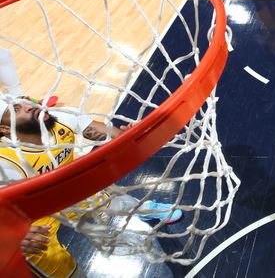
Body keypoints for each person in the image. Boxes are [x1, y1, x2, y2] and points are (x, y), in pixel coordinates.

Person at [1, 97, 182, 278]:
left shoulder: (63, 117)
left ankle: (145, 209)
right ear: (5, 129)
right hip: (34, 217)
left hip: (71, 188)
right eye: (17, 109)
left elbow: (112, 134)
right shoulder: (5, 163)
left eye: (25, 101)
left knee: (113, 197)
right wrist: (10, 233)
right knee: (50, 261)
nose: (30, 106)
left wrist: (138, 133)